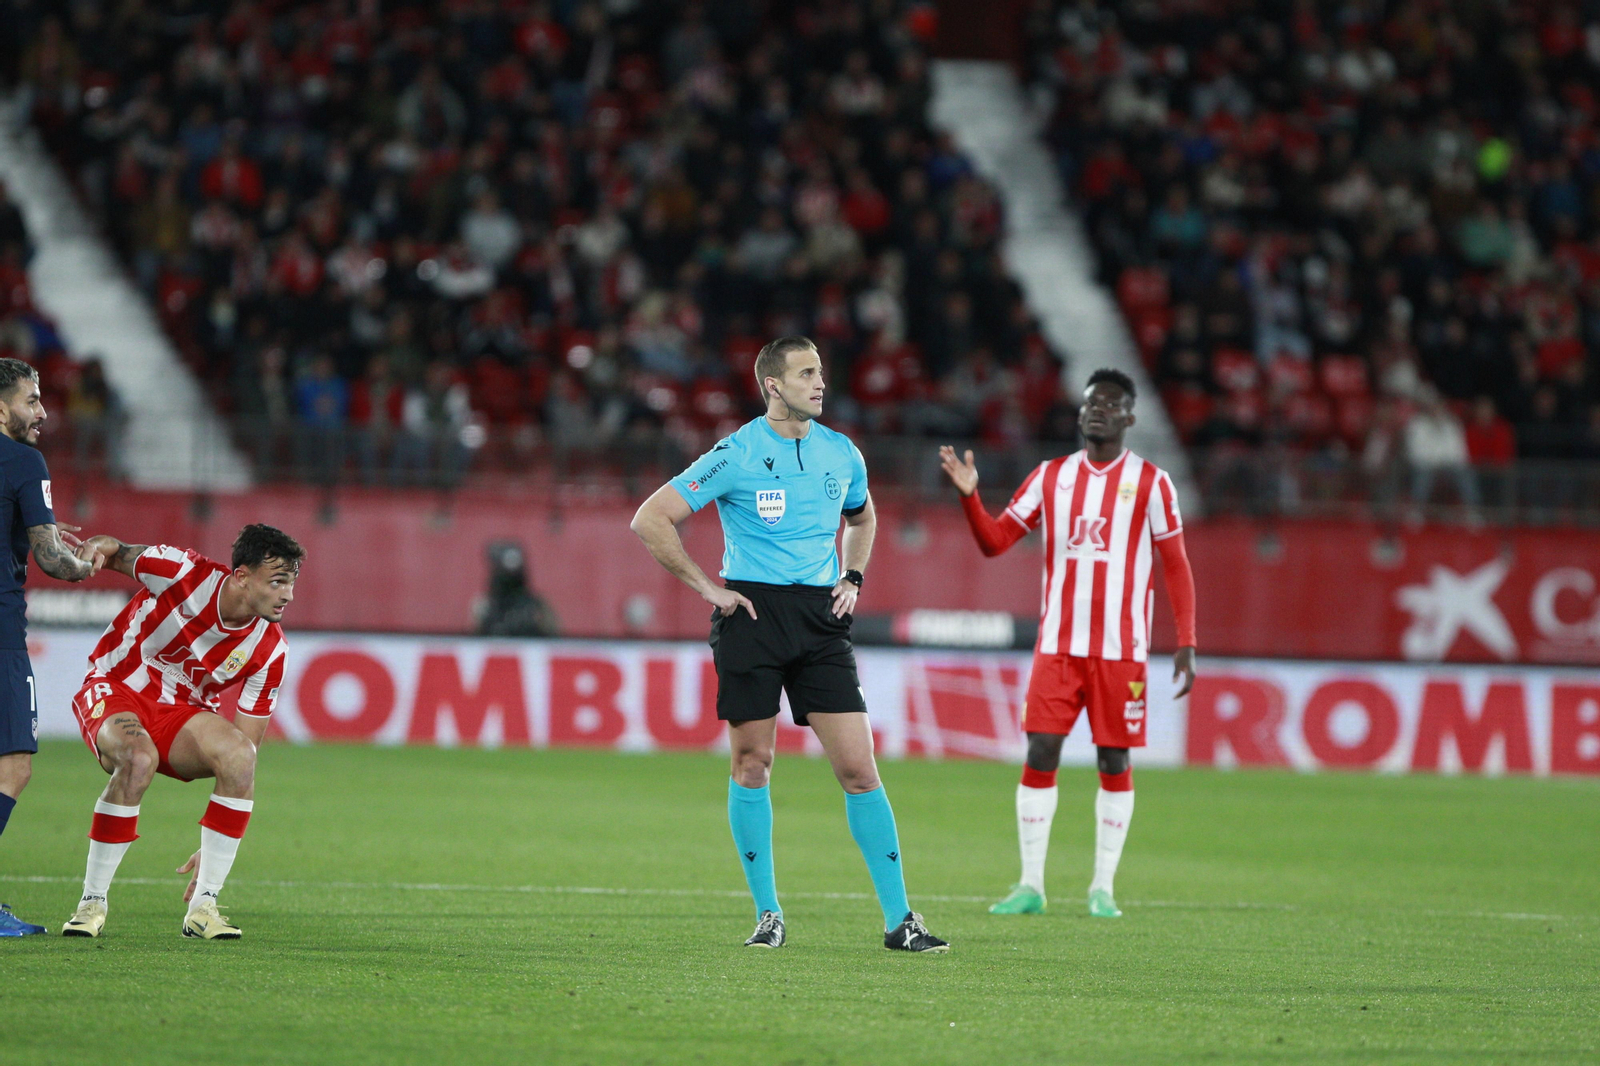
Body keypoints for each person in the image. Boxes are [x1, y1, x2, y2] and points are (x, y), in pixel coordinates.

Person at [630, 335, 948, 953]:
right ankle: (768, 914)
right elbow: (651, 517)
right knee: (754, 763)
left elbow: (862, 518)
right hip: (751, 612)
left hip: (819, 619)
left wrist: (852, 576)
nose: (820, 383)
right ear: (774, 386)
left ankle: (901, 920)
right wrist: (707, 588)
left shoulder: (841, 452)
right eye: (806, 374)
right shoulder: (737, 453)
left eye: (821, 372)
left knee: (858, 768)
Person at [939, 368, 1197, 919]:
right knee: (1039, 752)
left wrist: (1187, 639)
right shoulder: (1050, 476)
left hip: (1121, 650)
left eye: (1109, 404)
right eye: (1089, 403)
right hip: (1057, 646)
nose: (1096, 410)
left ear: (1129, 417)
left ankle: (1102, 888)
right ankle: (1031, 885)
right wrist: (970, 497)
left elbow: (1175, 565)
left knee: (1113, 758)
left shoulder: (1153, 482)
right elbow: (995, 542)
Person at [59, 524, 303, 940]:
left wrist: (214, 846)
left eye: (292, 583)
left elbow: (245, 750)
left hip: (183, 714)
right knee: (138, 760)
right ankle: (91, 903)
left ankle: (204, 905)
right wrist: (96, 547)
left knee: (239, 757)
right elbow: (117, 551)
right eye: (277, 581)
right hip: (117, 687)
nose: (288, 595)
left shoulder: (270, 649)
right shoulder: (182, 571)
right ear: (242, 576)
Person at [0, 358, 102, 936]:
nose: (43, 412)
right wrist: (87, 563)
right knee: (12, 768)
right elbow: (52, 560)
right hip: (1, 633)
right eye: (31, 400)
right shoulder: (23, 460)